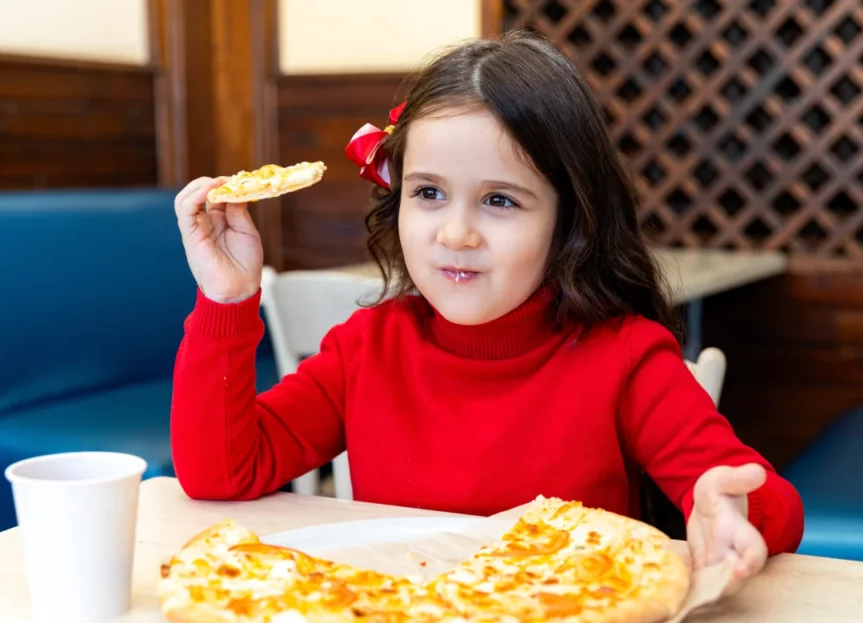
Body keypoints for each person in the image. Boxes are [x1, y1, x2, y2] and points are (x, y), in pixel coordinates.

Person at [169, 31, 804, 593]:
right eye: (429, 193)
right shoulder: (366, 348)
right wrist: (227, 299)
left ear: (569, 221)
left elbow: (770, 503)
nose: (456, 233)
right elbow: (222, 471)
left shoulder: (627, 357)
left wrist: (731, 509)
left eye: (499, 200)